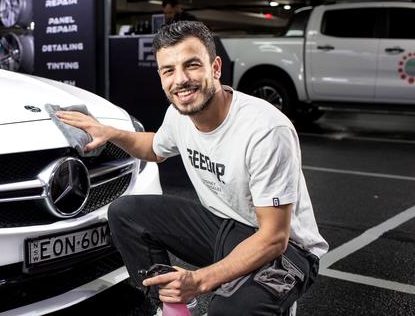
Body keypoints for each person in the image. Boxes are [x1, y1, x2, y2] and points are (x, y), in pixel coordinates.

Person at [56, 21, 328, 315]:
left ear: (215, 67)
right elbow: (154, 148)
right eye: (168, 70)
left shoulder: (265, 130)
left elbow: (275, 237)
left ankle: (269, 298)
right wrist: (110, 133)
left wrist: (197, 280)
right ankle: (171, 304)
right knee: (125, 213)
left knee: (228, 311)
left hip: (288, 250)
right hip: (223, 226)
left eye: (192, 65)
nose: (180, 80)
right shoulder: (178, 114)